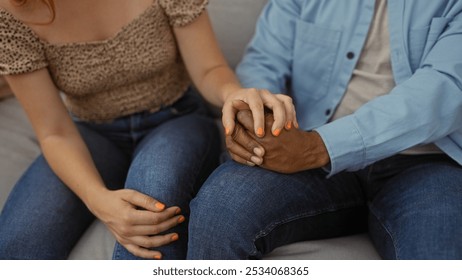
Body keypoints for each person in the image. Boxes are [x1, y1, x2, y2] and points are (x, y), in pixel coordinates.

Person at [0, 0, 296, 260]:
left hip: (175, 118)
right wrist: (98, 199)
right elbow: (54, 131)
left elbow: (209, 70)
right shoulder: (11, 14)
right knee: (18, 244)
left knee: (153, 214)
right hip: (92, 132)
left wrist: (232, 93)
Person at [187, 0, 462, 259]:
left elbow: (447, 87)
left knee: (437, 254)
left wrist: (317, 147)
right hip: (307, 149)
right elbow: (264, 62)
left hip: (425, 159)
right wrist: (258, 118)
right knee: (221, 210)